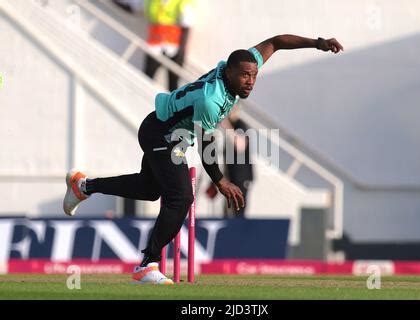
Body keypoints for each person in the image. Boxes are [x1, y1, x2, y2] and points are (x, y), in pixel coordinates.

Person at [63, 34, 344, 284]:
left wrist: (318, 43)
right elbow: (206, 142)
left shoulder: (240, 65)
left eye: (254, 75)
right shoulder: (212, 99)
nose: (250, 82)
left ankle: (83, 186)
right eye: (245, 75)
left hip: (171, 135)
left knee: (149, 190)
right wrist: (221, 181)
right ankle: (146, 265)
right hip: (162, 133)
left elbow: (277, 42)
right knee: (182, 197)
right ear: (229, 72)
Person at [112, 0, 195, 91]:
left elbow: (187, 26)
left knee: (173, 87)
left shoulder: (183, 2)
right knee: (146, 80)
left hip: (174, 48)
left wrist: (181, 51)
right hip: (154, 47)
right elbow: (132, 8)